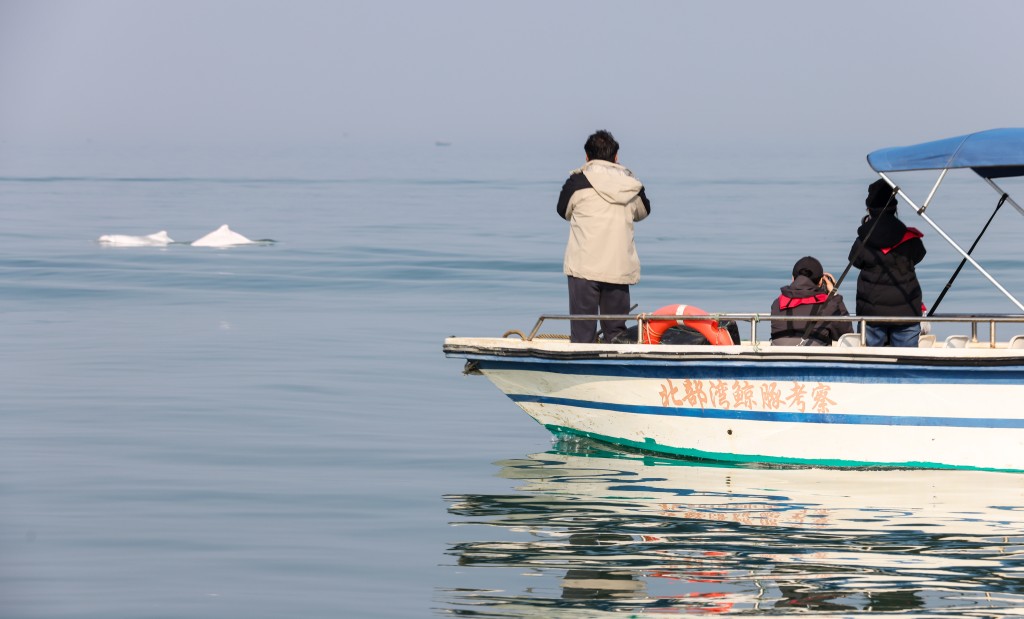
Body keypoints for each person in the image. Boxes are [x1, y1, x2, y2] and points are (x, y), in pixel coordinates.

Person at [557, 130, 651, 343]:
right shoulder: (632, 185)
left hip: (584, 269)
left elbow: (563, 211)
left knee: (582, 336)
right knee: (616, 335)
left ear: (587, 157)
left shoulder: (576, 182)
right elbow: (643, 212)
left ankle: (581, 373)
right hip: (618, 268)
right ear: (616, 157)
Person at [849, 179, 927, 347]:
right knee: (907, 361)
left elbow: (855, 261)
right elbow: (919, 256)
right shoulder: (910, 239)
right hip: (907, 312)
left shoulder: (863, 240)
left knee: (872, 361)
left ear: (869, 210)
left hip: (871, 312)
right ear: (894, 208)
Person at [770, 256, 853, 346]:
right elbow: (846, 336)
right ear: (821, 282)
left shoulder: (778, 303)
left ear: (793, 279)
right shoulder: (829, 305)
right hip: (815, 357)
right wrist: (835, 295)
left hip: (780, 356)